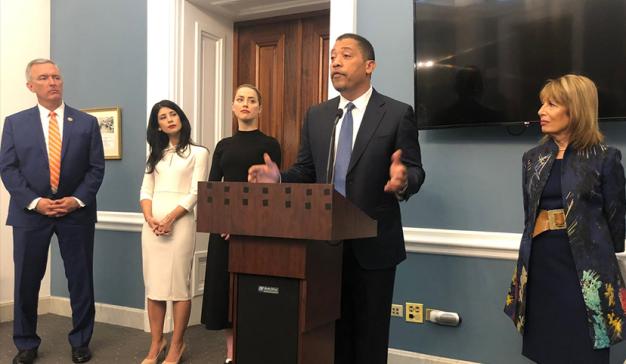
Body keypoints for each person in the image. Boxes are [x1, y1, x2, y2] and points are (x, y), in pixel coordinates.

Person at [248, 33, 425, 364]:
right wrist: (280, 178)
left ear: (369, 66)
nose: (335, 62)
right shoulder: (318, 115)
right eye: (332, 57)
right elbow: (306, 170)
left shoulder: (397, 113)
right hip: (323, 245)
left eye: (345, 55)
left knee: (370, 338)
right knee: (328, 334)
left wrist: (402, 180)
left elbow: (415, 171)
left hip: (374, 246)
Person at [504, 75, 626, 363]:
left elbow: (617, 224)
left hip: (586, 272)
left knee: (584, 350)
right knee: (546, 349)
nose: (540, 111)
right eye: (541, 104)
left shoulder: (605, 158)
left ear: (576, 109)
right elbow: (529, 215)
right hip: (541, 266)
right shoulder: (532, 158)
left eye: (551, 104)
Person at [0, 59, 105, 364]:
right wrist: (35, 201)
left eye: (56, 77)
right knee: (27, 281)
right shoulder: (15, 123)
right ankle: (26, 343)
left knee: (80, 278)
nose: (52, 82)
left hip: (76, 213)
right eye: (44, 78)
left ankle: (81, 341)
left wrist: (76, 200)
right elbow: (8, 169)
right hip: (30, 214)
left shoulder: (85, 123)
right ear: (31, 86)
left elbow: (96, 169)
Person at [200, 84, 281, 364]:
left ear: (260, 108)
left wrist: (243, 222)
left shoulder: (270, 145)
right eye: (240, 99)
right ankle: (231, 354)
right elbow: (212, 189)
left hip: (255, 229)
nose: (245, 104)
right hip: (223, 231)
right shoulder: (223, 146)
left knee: (252, 292)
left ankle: (254, 350)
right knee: (225, 293)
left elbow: (273, 193)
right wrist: (225, 220)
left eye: (251, 100)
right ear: (233, 107)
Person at [139, 100, 209, 364]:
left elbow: (196, 192)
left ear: (181, 118)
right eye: (163, 117)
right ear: (157, 126)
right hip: (152, 226)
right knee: (154, 286)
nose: (169, 119)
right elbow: (146, 190)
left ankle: (177, 344)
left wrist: (169, 218)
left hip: (180, 224)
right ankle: (157, 342)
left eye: (173, 114)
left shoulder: (198, 152)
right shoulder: (155, 155)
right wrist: (150, 218)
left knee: (179, 286)